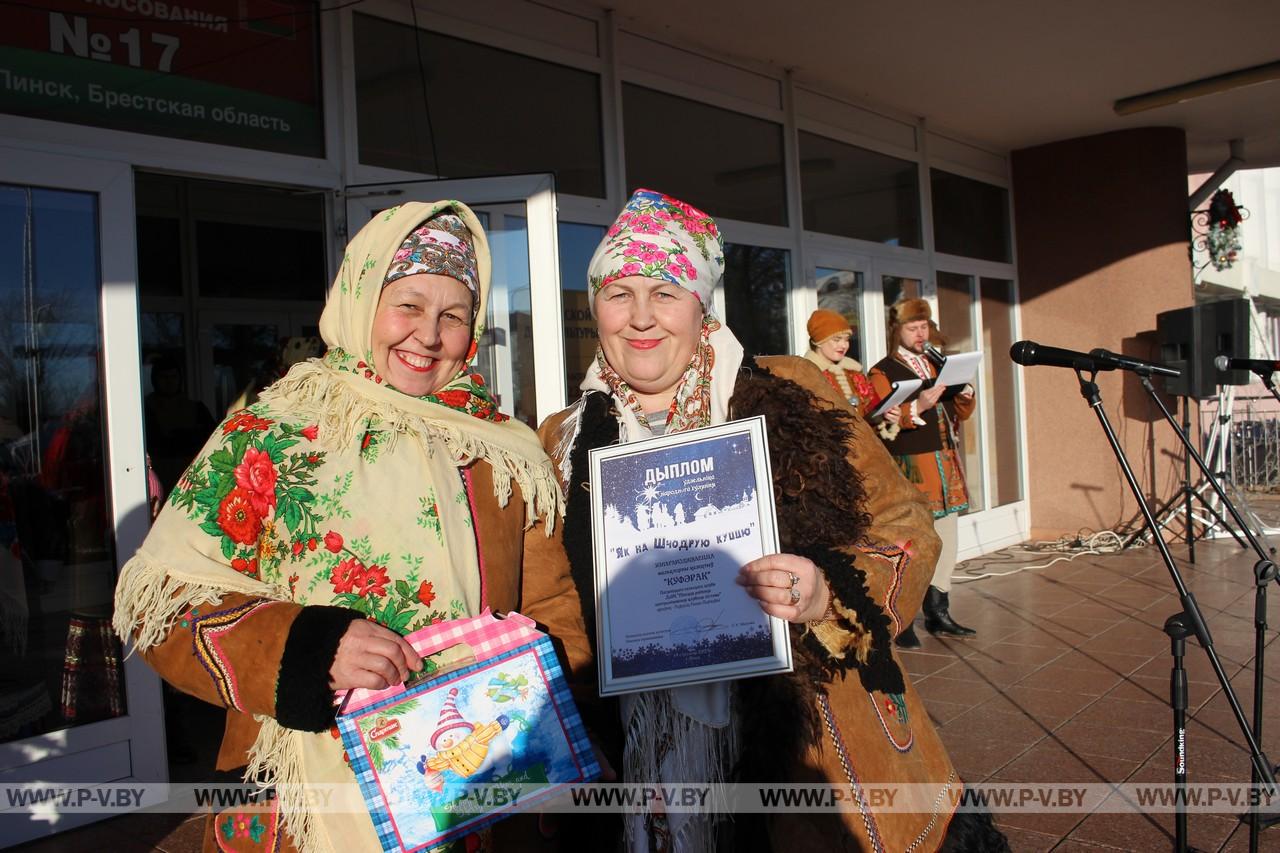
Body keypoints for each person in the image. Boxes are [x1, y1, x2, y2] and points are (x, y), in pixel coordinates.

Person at [113, 201, 591, 853]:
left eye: (453, 315)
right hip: (311, 803)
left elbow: (549, 609)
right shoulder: (274, 434)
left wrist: (566, 731)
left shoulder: (505, 450)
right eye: (409, 305)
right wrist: (310, 649)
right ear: (362, 298)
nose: (428, 334)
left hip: (475, 788)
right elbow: (160, 607)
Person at [539, 189, 1006, 852]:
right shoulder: (562, 438)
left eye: (666, 292)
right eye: (620, 293)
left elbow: (905, 523)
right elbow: (557, 602)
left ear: (701, 308)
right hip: (642, 778)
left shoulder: (789, 389)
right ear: (596, 308)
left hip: (810, 764)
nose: (641, 317)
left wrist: (829, 593)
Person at [870, 298, 977, 646]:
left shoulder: (936, 361)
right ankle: (904, 616)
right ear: (897, 331)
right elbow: (881, 418)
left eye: (924, 326)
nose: (921, 333)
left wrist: (966, 391)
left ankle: (939, 609)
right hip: (913, 463)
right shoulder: (882, 370)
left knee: (948, 533)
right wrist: (919, 405)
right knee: (912, 539)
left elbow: (960, 412)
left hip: (945, 459)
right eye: (913, 327)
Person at [802, 308, 900, 437]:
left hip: (864, 449)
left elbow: (872, 410)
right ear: (819, 341)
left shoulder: (855, 373)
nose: (844, 345)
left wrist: (886, 417)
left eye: (846, 339)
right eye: (837, 340)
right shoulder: (806, 375)